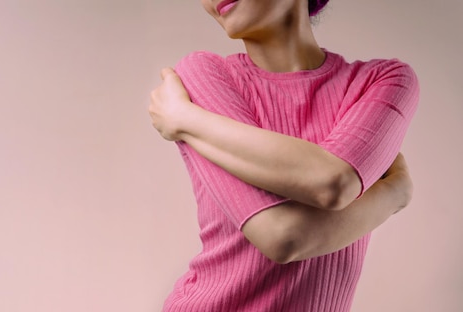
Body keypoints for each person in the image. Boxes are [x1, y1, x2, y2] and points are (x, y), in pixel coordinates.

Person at [148, 0, 420, 311]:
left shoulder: (383, 81)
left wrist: (186, 119)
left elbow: (335, 182)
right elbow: (283, 235)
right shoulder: (202, 75)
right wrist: (393, 195)